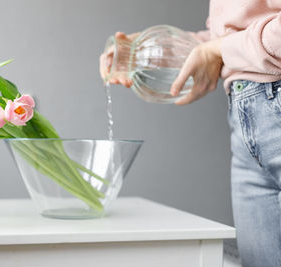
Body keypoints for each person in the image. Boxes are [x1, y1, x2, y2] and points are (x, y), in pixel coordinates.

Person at [100, 1, 281, 267]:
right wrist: (167, 49)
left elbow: (225, 47)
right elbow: (239, 34)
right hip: (244, 123)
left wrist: (216, 49)